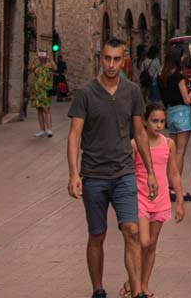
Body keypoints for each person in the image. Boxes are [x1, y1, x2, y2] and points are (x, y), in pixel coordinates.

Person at [67, 34, 157, 298]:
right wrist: (74, 173)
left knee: (132, 230)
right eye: (107, 58)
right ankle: (98, 289)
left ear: (123, 61)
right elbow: (74, 135)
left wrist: (150, 171)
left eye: (117, 59)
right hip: (94, 175)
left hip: (124, 174)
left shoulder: (131, 92)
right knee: (97, 235)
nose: (111, 64)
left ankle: (138, 291)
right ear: (100, 59)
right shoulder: (85, 93)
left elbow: (140, 133)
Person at [125, 100, 185, 298]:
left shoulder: (168, 143)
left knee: (152, 245)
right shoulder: (135, 144)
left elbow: (173, 173)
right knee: (142, 241)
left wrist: (180, 201)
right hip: (140, 198)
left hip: (161, 200)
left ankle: (142, 285)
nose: (158, 125)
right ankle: (133, 282)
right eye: (154, 121)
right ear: (144, 121)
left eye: (162, 121)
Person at [160, 47, 191, 201]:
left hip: (170, 113)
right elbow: (187, 100)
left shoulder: (162, 76)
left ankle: (169, 186)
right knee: (180, 152)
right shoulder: (178, 76)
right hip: (182, 113)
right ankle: (176, 188)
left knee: (172, 153)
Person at [30, 49, 54, 137]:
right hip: (37, 91)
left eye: (43, 54)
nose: (41, 56)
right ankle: (42, 130)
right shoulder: (37, 66)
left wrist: (50, 59)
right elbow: (30, 69)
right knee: (39, 110)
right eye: (40, 54)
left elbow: (55, 68)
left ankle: (49, 129)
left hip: (45, 91)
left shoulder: (49, 65)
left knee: (46, 110)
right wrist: (34, 58)